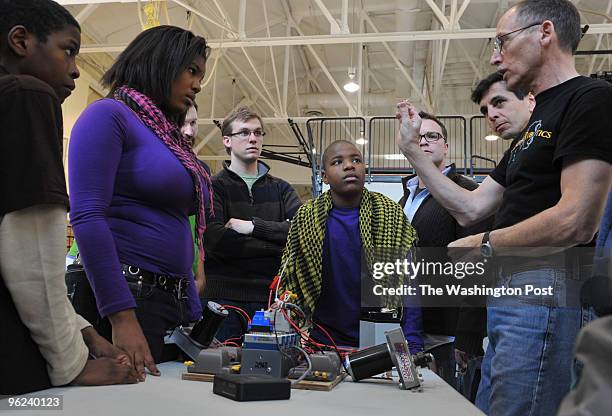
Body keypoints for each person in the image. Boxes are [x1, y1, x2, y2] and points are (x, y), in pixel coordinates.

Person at [395, 0, 612, 414]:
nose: (496, 56)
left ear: (544, 33)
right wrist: (413, 152)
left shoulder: (590, 99)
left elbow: (578, 220)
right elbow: (470, 206)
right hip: (511, 295)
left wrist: (487, 245)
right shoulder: (532, 127)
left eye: (502, 41)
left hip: (545, 290)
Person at [0, 0, 138, 394]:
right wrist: (71, 364)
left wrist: (85, 331)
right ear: (21, 41)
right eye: (69, 49)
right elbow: (31, 253)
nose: (77, 68)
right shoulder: (27, 94)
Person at [68, 25, 212, 381]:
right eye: (191, 71)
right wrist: (122, 316)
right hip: (126, 299)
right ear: (160, 63)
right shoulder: (108, 115)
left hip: (167, 302)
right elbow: (86, 216)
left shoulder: (166, 135)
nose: (197, 85)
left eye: (200, 76)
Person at [279, 140, 423, 352]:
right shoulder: (306, 218)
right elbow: (290, 280)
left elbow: (410, 283)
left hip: (383, 340)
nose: (349, 166)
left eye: (356, 160)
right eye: (337, 162)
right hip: (323, 341)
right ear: (324, 177)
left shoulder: (390, 214)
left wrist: (414, 343)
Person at [398, 112, 492, 389]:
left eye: (432, 136)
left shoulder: (468, 195)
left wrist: (468, 334)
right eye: (418, 136)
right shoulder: (405, 198)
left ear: (446, 146)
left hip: (449, 335)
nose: (424, 141)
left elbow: (479, 269)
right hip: (412, 329)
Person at [203, 107, 301, 341]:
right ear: (227, 140)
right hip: (222, 302)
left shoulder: (282, 189)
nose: (253, 138)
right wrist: (277, 247)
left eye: (258, 133)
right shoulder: (212, 186)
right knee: (219, 369)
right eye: (244, 133)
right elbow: (216, 240)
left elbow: (301, 231)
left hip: (269, 302)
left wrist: (253, 227)